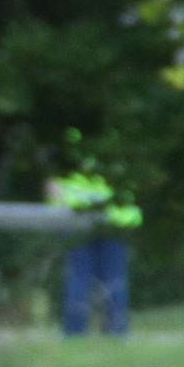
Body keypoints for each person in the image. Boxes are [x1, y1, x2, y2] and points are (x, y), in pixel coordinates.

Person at [49, 138, 141, 337]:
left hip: (75, 219)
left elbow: (54, 185)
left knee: (79, 277)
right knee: (114, 278)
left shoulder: (66, 139)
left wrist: (60, 215)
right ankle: (117, 329)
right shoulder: (122, 137)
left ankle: (75, 331)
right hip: (116, 219)